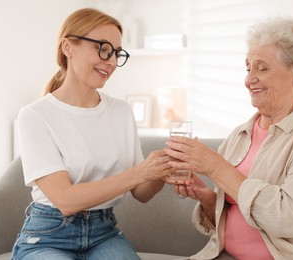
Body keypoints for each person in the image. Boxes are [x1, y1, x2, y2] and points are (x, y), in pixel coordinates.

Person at [165, 16, 293, 259]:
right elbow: (236, 208)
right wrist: (209, 199)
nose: (249, 79)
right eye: (248, 67)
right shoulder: (239, 135)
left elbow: (288, 218)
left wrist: (214, 166)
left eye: (262, 68)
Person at [11, 8, 174, 260]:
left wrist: (164, 168)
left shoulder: (120, 111)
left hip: (104, 233)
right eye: (103, 48)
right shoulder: (35, 115)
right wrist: (140, 172)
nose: (110, 61)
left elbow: (141, 193)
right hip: (48, 235)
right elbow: (65, 200)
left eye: (116, 53)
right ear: (68, 47)